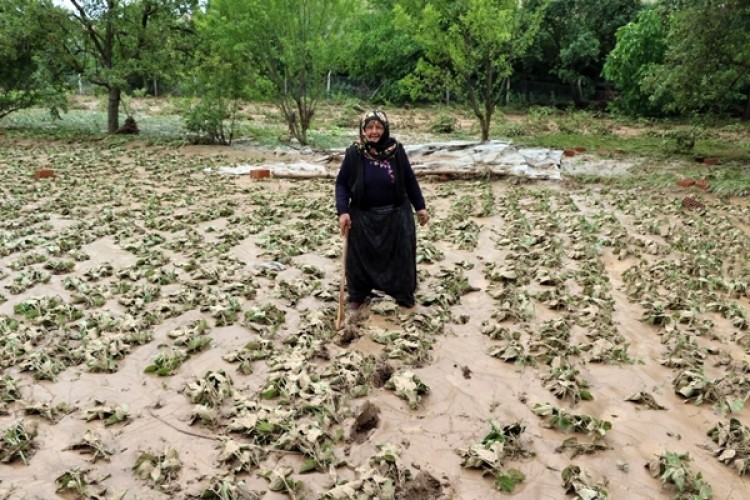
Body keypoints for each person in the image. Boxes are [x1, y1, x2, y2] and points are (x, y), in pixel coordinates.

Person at [335, 109, 429, 309]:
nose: (374, 131)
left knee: (400, 256)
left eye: (379, 127)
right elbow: (341, 184)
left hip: (396, 214)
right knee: (360, 258)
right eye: (370, 127)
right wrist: (343, 211)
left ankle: (402, 295)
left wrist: (420, 207)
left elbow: (410, 180)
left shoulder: (396, 151)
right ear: (363, 130)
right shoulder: (354, 153)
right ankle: (358, 295)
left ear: (385, 129)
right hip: (362, 215)